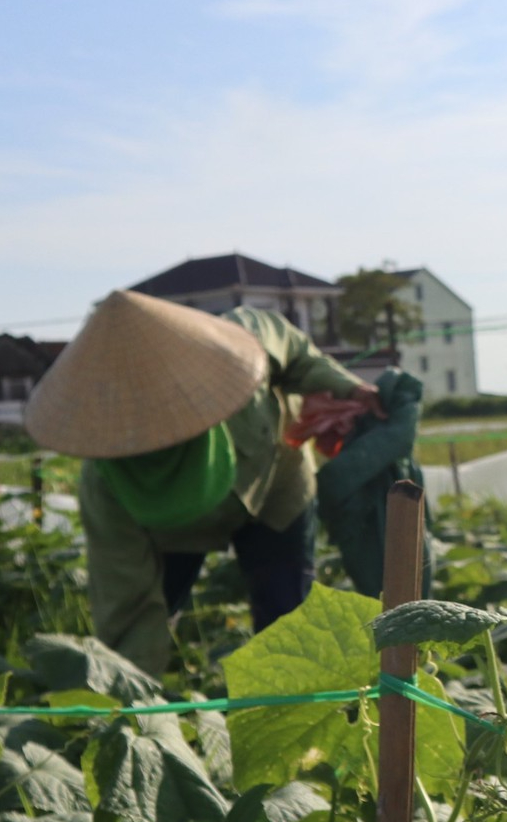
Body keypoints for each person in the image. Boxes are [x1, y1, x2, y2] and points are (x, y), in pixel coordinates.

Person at [25, 288, 380, 674]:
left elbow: (296, 352)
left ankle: (294, 711)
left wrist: (348, 387)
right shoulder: (109, 489)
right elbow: (126, 611)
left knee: (286, 620)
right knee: (148, 626)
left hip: (275, 487)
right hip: (172, 532)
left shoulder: (235, 349)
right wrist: (132, 708)